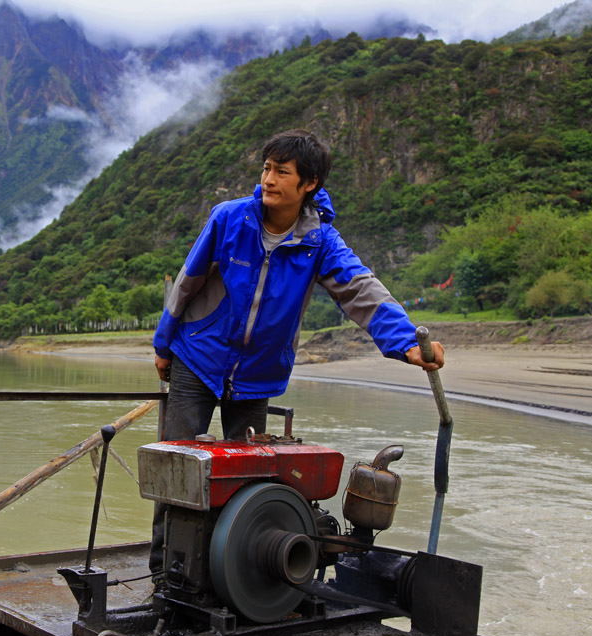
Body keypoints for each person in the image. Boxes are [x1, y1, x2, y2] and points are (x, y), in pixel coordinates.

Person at [148, 128, 443, 576]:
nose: (268, 179)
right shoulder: (230, 219)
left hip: (257, 375)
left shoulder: (320, 242)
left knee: (245, 480)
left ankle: (224, 572)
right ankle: (164, 572)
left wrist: (405, 343)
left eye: (281, 172)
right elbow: (188, 281)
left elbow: (360, 289)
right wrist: (163, 343)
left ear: (309, 185)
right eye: (266, 168)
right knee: (177, 470)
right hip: (197, 358)